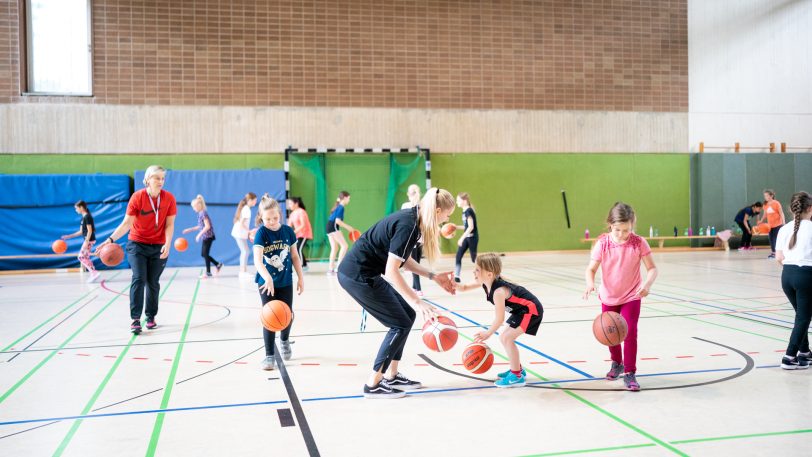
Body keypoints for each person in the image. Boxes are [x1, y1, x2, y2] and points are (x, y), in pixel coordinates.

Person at [338, 188, 457, 399]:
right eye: (447, 215)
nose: (447, 219)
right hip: (357, 273)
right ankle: (373, 384)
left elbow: (403, 260)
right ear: (438, 211)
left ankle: (392, 376)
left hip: (366, 272)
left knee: (407, 317)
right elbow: (393, 271)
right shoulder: (408, 225)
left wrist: (433, 276)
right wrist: (417, 301)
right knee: (400, 323)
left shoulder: (415, 221)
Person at [584, 202, 658, 391]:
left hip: (632, 295)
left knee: (630, 331)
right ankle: (617, 363)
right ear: (610, 225)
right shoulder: (603, 243)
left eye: (626, 230)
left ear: (632, 225)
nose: (622, 234)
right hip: (609, 296)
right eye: (618, 230)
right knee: (611, 333)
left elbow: (652, 268)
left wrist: (647, 284)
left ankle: (630, 373)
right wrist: (590, 283)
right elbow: (591, 269)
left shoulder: (638, 242)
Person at [96, 165, 177, 334]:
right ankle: (135, 319)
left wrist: (168, 243)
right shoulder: (137, 197)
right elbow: (127, 223)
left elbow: (169, 224)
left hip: (158, 246)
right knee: (139, 278)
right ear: (147, 180)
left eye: (162, 178)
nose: (160, 181)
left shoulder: (169, 198)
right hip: (137, 244)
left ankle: (151, 316)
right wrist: (109, 240)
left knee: (153, 283)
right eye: (157, 178)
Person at [455, 253, 543, 388]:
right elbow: (464, 287)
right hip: (520, 311)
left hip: (531, 310)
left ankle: (516, 377)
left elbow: (500, 318)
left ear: (489, 274)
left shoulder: (499, 292)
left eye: (477, 269)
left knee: (507, 338)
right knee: (503, 337)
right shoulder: (485, 283)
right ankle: (517, 369)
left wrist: (488, 333)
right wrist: (453, 285)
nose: (474, 271)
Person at [253, 194, 304, 370]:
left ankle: (284, 340)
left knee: (287, 315)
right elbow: (258, 260)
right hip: (266, 283)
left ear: (280, 215)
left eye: (275, 218)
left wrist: (300, 278)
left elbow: (295, 256)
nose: (272, 221)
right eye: (268, 219)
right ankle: (269, 356)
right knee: (269, 317)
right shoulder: (261, 233)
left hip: (285, 282)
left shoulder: (288, 231)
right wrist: (267, 277)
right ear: (261, 217)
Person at [775, 191, 812, 370]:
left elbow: (779, 257)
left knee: (801, 316)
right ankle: (789, 356)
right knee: (804, 317)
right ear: (810, 209)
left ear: (791, 209)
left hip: (787, 276)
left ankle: (804, 352)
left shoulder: (784, 228)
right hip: (806, 275)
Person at [182, 194, 223, 278]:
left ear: (198, 206)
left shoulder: (203, 213)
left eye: (194, 207)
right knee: (204, 254)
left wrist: (199, 235)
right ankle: (217, 264)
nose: (193, 209)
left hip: (208, 236)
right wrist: (190, 229)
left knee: (205, 254)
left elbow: (207, 226)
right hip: (206, 237)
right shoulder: (200, 213)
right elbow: (200, 226)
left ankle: (208, 272)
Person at [62, 200, 100, 283]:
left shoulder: (87, 217)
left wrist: (86, 241)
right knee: (84, 257)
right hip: (88, 239)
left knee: (81, 256)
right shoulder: (83, 218)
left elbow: (90, 231)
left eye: (76, 208)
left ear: (81, 207)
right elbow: (81, 231)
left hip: (89, 240)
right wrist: (68, 236)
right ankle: (93, 272)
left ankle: (94, 272)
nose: (76, 210)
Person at [326, 191, 356, 274]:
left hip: (329, 227)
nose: (349, 200)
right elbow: (338, 221)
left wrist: (339, 230)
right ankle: (338, 268)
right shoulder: (341, 207)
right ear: (345, 198)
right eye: (349, 198)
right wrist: (349, 227)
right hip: (333, 227)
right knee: (345, 246)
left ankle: (330, 269)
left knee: (335, 248)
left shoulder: (338, 206)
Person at [401, 184, 423, 295]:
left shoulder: (406, 206)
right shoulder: (421, 206)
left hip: (413, 238)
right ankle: (415, 287)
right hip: (419, 239)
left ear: (408, 194)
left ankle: (418, 289)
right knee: (416, 263)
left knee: (415, 265)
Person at [454, 192, 479, 282]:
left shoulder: (468, 211)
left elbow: (471, 227)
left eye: (458, 200)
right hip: (467, 237)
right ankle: (457, 276)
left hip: (472, 238)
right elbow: (467, 226)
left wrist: (461, 238)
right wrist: (456, 227)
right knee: (458, 255)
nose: (456, 202)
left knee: (474, 258)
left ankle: (483, 273)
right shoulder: (464, 211)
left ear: (464, 201)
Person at [231, 192, 258, 275]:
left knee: (245, 251)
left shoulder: (246, 208)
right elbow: (242, 223)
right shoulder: (247, 209)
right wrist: (249, 231)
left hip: (239, 232)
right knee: (245, 251)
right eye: (254, 200)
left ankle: (243, 271)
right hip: (239, 233)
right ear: (250, 200)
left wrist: (248, 231)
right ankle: (243, 271)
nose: (255, 202)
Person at [287, 196, 313, 272]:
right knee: (296, 249)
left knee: (299, 248)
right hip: (298, 235)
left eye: (290, 203)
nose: (289, 205)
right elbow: (289, 226)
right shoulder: (292, 214)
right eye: (288, 204)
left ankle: (302, 266)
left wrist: (294, 232)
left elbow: (303, 225)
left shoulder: (301, 212)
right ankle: (304, 265)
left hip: (305, 234)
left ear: (296, 204)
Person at [760, 189, 786, 259]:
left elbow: (781, 213)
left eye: (767, 195)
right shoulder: (765, 204)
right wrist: (761, 220)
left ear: (771, 196)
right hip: (769, 226)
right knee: (771, 239)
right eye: (764, 196)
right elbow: (765, 214)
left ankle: (780, 253)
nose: (765, 197)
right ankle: (773, 252)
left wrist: (783, 222)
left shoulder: (776, 203)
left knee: (777, 239)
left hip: (778, 224)